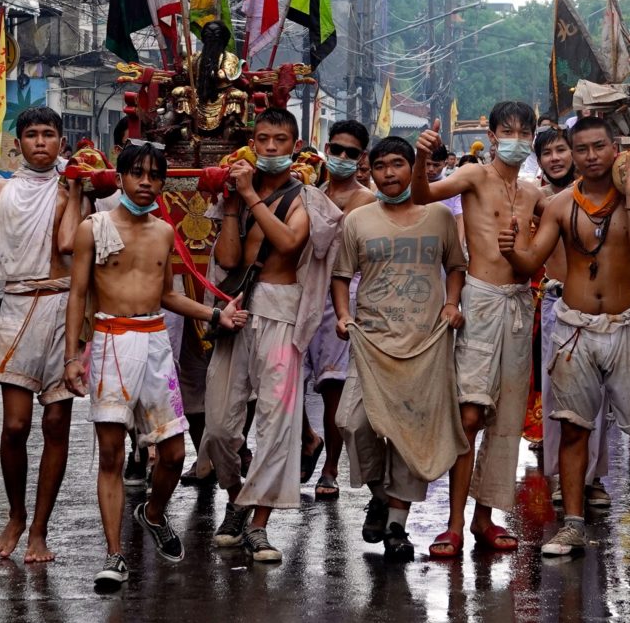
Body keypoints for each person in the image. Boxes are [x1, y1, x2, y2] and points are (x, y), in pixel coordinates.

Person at [62, 143, 247, 589]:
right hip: (110, 341)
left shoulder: (165, 232)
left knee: (174, 454)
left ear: (162, 183)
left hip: (155, 341)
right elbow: (78, 294)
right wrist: (73, 354)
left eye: (154, 175)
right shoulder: (94, 228)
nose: (145, 182)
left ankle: (154, 513)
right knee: (111, 455)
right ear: (121, 178)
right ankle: (114, 555)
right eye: (137, 173)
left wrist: (214, 313)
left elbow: (168, 295)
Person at [499, 117, 630, 557]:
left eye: (600, 147)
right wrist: (512, 249)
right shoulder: (559, 205)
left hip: (625, 326)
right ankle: (573, 523)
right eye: (583, 149)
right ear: (572, 154)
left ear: (615, 147)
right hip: (574, 327)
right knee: (574, 429)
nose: (591, 156)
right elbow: (530, 262)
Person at [199, 107, 342, 563]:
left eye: (281, 140)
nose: (272, 148)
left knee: (277, 426)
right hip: (236, 312)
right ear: (253, 144)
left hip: (281, 313)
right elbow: (227, 258)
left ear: (294, 145)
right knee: (220, 426)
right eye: (264, 140)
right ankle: (238, 495)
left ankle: (258, 524)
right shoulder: (236, 194)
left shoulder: (308, 199)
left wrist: (250, 197)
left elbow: (287, 244)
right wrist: (235, 204)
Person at [411, 101, 542, 557]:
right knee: (469, 415)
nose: (518, 140)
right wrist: (420, 158)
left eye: (526, 133)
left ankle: (485, 519)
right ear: (490, 132)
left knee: (507, 420)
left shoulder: (533, 191)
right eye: (509, 131)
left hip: (519, 304)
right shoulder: (474, 177)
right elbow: (423, 195)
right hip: (480, 301)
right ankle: (452, 522)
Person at [333, 136, 468, 560]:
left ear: (415, 168)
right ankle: (380, 493)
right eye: (380, 166)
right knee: (352, 422)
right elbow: (341, 275)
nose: (389, 174)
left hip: (425, 344)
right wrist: (343, 315)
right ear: (368, 172)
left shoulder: (440, 217)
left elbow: (456, 267)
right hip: (371, 343)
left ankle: (396, 527)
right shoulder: (358, 220)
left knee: (412, 437)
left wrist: (451, 304)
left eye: (397, 164)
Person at [0, 107, 84, 563]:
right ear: (18, 143)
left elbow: (73, 245)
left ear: (60, 143)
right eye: (31, 134)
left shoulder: (72, 188)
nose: (40, 142)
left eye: (48, 135)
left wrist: (75, 188)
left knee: (57, 424)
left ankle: (39, 529)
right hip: (15, 307)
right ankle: (16, 515)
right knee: (15, 426)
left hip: (63, 307)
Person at [531, 127, 610, 508]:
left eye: (562, 150)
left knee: (599, 399)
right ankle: (564, 476)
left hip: (599, 306)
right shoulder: (538, 199)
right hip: (556, 303)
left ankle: (593, 478)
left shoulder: (602, 195)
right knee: (557, 397)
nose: (556, 158)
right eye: (547, 153)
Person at [305, 119, 376, 499]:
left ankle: (331, 467)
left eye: (351, 153)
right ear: (326, 149)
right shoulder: (310, 191)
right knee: (286, 381)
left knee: (333, 387)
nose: (342, 157)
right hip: (305, 294)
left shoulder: (367, 200)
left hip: (343, 296)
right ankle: (307, 440)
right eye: (337, 150)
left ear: (361, 157)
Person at [425, 144, 466, 251]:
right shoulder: (413, 186)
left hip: (444, 243)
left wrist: (459, 245)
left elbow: (459, 218)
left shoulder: (451, 187)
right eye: (427, 164)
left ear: (444, 163)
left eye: (436, 165)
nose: (430, 169)